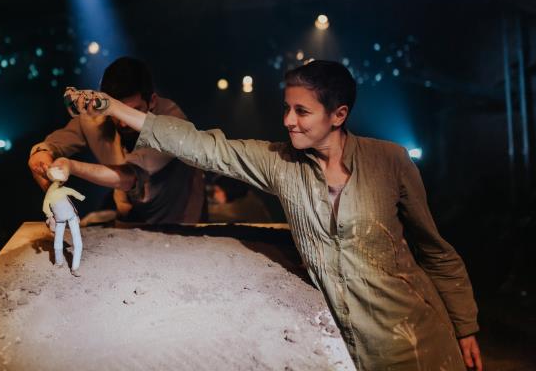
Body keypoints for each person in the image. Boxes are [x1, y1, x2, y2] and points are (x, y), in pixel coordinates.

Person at [63, 60, 482, 371]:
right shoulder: (280, 164)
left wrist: (465, 327)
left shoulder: (389, 161)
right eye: (287, 108)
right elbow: (202, 146)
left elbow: (436, 251)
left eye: (302, 112)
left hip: (415, 341)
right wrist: (113, 107)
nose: (288, 121)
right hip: (348, 347)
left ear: (339, 115)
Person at [28, 57, 204, 224]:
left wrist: (71, 166)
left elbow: (129, 178)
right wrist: (42, 154)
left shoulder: (173, 122)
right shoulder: (97, 116)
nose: (123, 122)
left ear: (152, 101)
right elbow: (57, 143)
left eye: (134, 111)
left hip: (180, 215)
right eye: (116, 112)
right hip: (130, 216)